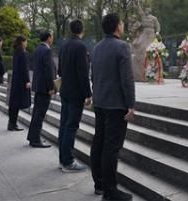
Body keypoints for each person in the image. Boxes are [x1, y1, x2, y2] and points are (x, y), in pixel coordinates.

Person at [90, 13, 135, 201]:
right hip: (116, 105)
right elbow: (127, 79)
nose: (123, 25)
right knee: (111, 148)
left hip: (100, 102)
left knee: (99, 142)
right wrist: (131, 104)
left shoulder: (96, 48)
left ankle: (99, 183)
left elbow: (94, 76)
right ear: (117, 26)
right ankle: (111, 191)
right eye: (122, 23)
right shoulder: (122, 47)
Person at [57, 19, 91, 172]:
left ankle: (62, 159)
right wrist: (88, 94)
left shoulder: (64, 45)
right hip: (76, 93)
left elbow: (60, 71)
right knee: (71, 126)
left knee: (64, 125)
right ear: (82, 30)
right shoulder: (81, 46)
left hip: (65, 90)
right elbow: (83, 73)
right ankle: (68, 161)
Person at [26, 30, 56, 148]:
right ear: (48, 38)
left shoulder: (38, 49)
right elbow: (49, 71)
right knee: (40, 114)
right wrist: (51, 87)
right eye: (52, 37)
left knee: (36, 113)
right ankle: (36, 139)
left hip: (38, 86)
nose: (53, 39)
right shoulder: (47, 50)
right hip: (44, 88)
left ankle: (32, 137)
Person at [7, 36, 31, 130]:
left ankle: (12, 123)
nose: (26, 43)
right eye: (26, 41)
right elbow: (24, 68)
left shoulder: (16, 52)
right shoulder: (22, 53)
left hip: (16, 80)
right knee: (16, 104)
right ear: (22, 42)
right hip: (21, 81)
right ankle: (13, 124)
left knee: (14, 104)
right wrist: (27, 80)